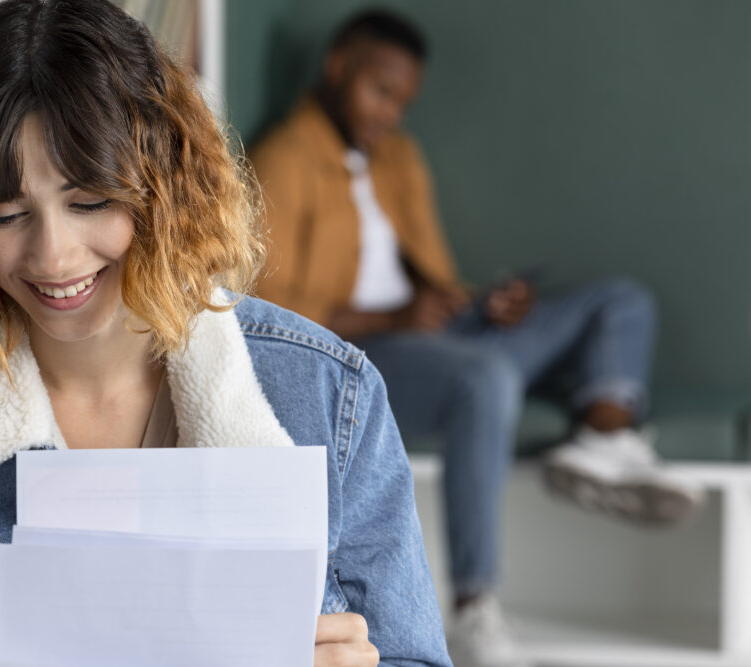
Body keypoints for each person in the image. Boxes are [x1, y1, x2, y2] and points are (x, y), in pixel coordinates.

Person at [0, 2, 452, 666]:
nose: (54, 257)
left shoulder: (333, 395)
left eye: (90, 202)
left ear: (162, 187)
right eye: (6, 214)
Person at [250, 10, 704, 667]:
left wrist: (481, 301)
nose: (390, 114)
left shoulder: (397, 157)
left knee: (620, 301)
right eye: (381, 92)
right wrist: (398, 318)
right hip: (369, 354)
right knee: (483, 379)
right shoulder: (283, 160)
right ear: (338, 66)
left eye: (403, 102)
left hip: (444, 333)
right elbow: (278, 321)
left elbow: (429, 272)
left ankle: (604, 440)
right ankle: (474, 608)